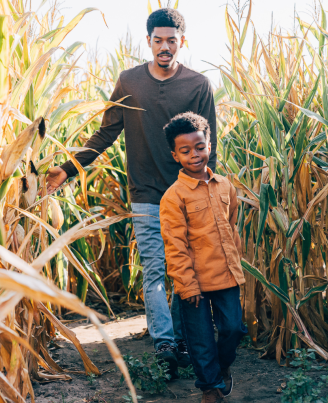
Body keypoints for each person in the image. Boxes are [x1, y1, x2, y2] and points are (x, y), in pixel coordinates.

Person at [45, 8, 218, 377]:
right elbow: (106, 134)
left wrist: (210, 195)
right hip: (145, 195)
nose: (165, 47)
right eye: (159, 40)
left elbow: (209, 147)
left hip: (186, 195)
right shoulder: (129, 82)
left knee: (183, 270)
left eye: (172, 40)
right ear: (149, 42)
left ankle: (180, 336)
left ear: (181, 42)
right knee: (154, 268)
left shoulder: (198, 85)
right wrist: (69, 169)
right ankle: (166, 344)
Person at [159, 112, 248, 403]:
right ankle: (209, 388)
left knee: (233, 329)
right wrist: (187, 285)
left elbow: (231, 227)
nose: (194, 155)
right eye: (185, 151)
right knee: (200, 340)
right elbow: (175, 245)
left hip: (225, 275)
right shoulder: (174, 197)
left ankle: (222, 368)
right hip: (194, 282)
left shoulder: (225, 186)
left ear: (209, 146)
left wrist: (236, 267)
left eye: (199, 147)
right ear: (175, 155)